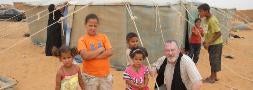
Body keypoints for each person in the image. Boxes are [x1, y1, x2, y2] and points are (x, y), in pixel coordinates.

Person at [77, 13, 113, 90]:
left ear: (98, 26)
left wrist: (92, 56)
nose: (93, 28)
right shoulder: (82, 40)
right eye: (90, 25)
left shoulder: (103, 37)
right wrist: (100, 50)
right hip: (90, 77)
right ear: (85, 25)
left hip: (105, 76)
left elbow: (110, 52)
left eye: (95, 26)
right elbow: (85, 56)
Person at [198, 3, 223, 83]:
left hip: (216, 44)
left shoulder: (212, 20)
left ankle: (212, 78)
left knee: (214, 60)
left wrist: (208, 43)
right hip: (211, 43)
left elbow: (218, 33)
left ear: (206, 11)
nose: (199, 13)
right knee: (212, 60)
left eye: (200, 11)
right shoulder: (205, 20)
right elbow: (207, 32)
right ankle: (214, 76)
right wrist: (205, 41)